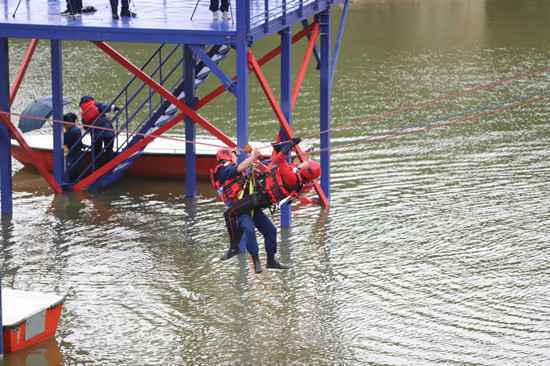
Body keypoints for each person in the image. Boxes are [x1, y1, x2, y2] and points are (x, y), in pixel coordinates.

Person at [221, 137, 321, 257]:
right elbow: (277, 161)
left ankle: (234, 248)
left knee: (229, 213)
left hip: (258, 197)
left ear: (306, 170)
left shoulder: (291, 177)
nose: (304, 162)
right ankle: (269, 259)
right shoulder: (298, 181)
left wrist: (289, 145)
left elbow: (279, 160)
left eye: (306, 164)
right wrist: (278, 149)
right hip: (262, 198)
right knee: (265, 229)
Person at [211, 147, 287, 273]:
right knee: (248, 228)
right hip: (238, 208)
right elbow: (236, 169)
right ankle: (255, 260)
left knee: (271, 230)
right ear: (228, 157)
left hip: (250, 204)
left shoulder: (238, 168)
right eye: (234, 155)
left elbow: (250, 171)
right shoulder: (222, 170)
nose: (236, 157)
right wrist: (252, 157)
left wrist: (271, 158)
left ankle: (271, 260)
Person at [79, 96, 116, 170]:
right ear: (91, 100)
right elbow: (108, 107)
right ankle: (110, 168)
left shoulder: (84, 113)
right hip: (108, 132)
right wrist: (116, 108)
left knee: (96, 151)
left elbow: (86, 127)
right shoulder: (95, 104)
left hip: (96, 135)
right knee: (109, 150)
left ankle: (96, 168)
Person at [63, 113, 86, 182]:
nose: (64, 126)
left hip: (73, 158)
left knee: (72, 176)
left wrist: (62, 134)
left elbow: (63, 141)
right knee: (78, 175)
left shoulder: (70, 132)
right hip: (79, 156)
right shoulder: (77, 129)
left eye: (64, 124)